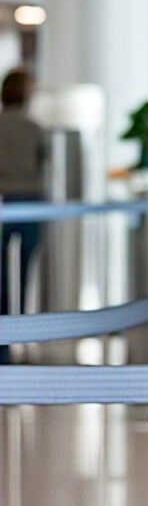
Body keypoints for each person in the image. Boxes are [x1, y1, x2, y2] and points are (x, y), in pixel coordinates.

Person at [0, 68, 46, 364]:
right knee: (25, 271)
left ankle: (3, 341)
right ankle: (20, 332)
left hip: (4, 200)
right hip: (30, 200)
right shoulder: (34, 128)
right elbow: (43, 163)